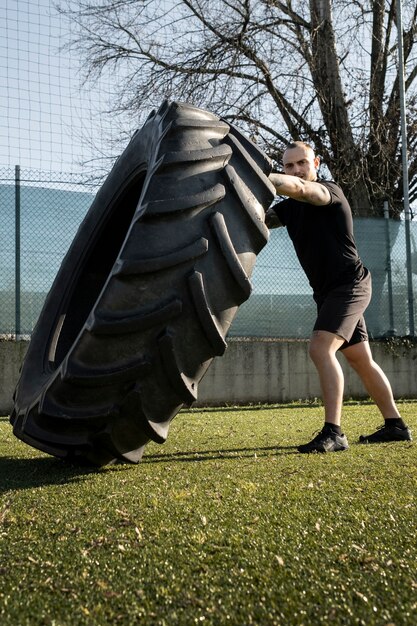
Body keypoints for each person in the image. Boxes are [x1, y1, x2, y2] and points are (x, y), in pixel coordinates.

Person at [266, 141, 412, 453]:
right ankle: (395, 426)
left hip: (350, 285)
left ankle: (334, 433)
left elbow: (305, 191)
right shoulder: (289, 208)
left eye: (302, 163)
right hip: (327, 292)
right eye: (289, 166)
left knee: (320, 348)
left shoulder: (328, 192)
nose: (296, 170)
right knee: (361, 359)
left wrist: (264, 176)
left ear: (315, 163)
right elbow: (259, 219)